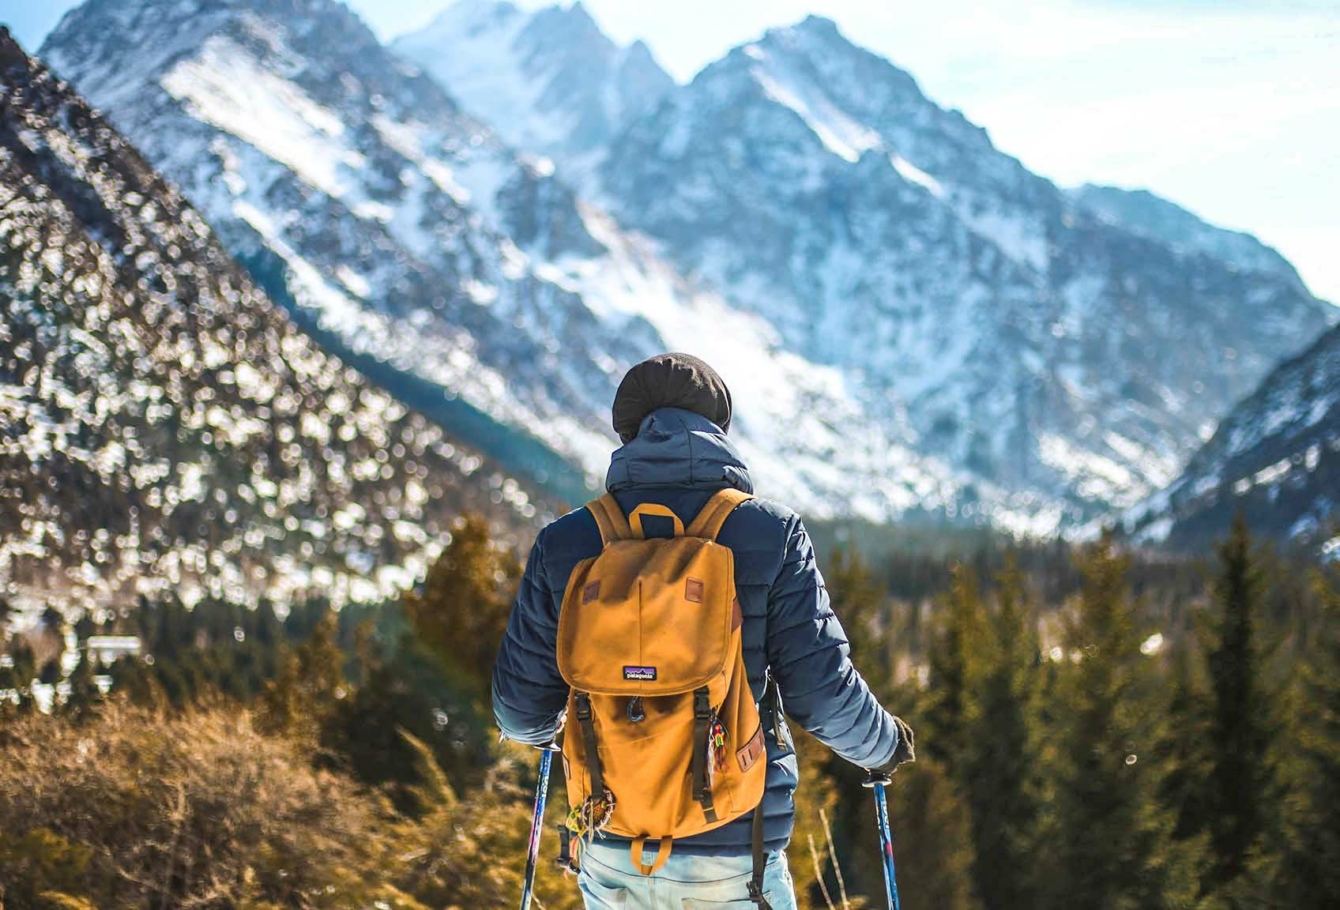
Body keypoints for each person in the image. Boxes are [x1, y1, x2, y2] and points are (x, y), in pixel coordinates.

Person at [493, 353, 914, 909]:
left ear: (628, 431)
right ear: (719, 427)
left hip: (608, 842)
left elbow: (520, 713)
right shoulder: (771, 533)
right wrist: (883, 746)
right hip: (732, 848)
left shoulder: (566, 542)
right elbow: (821, 694)